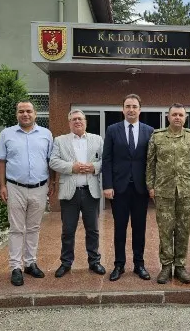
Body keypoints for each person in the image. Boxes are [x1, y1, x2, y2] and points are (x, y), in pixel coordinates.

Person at [0, 101, 55, 286]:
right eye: (21, 111)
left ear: (35, 114)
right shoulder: (7, 134)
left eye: (28, 111)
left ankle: (30, 263)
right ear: (16, 114)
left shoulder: (46, 134)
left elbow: (50, 160)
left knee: (33, 228)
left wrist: (52, 182)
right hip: (15, 187)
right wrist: (2, 185)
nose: (25, 114)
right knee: (16, 228)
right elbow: (1, 161)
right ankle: (15, 267)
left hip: (40, 186)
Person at [146, 103, 190, 284]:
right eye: (174, 115)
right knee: (165, 230)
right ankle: (165, 266)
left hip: (185, 191)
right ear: (168, 117)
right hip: (163, 191)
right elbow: (150, 163)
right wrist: (150, 186)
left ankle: (180, 266)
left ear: (185, 118)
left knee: (183, 229)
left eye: (181, 115)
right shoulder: (157, 136)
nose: (177, 117)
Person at [103, 94, 154, 281]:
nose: (131, 109)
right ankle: (119, 265)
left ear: (140, 109)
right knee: (120, 228)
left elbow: (152, 161)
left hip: (141, 189)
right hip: (119, 189)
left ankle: (139, 264)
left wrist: (151, 185)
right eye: (127, 106)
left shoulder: (149, 131)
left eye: (134, 106)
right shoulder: (112, 130)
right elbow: (107, 159)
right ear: (122, 109)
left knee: (139, 228)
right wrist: (107, 185)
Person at [49, 109, 106, 278]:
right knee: (68, 230)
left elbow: (106, 160)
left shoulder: (97, 139)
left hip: (90, 191)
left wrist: (94, 167)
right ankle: (66, 263)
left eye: (80, 119)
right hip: (69, 192)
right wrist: (71, 167)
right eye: (73, 119)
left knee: (93, 230)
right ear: (69, 123)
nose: (77, 121)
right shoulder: (60, 140)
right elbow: (53, 161)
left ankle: (94, 261)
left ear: (85, 121)